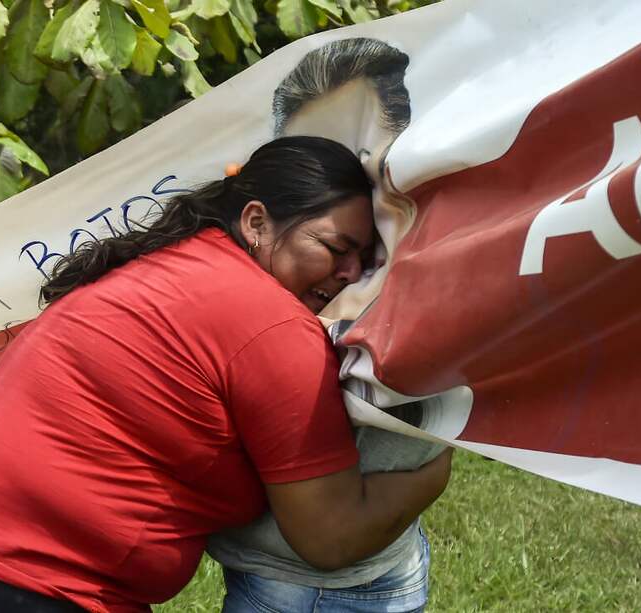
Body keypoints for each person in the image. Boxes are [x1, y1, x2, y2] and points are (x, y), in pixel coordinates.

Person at [0, 135, 452, 612]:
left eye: (365, 260)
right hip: (12, 575)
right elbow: (330, 535)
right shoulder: (272, 327)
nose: (350, 274)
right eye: (335, 248)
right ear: (256, 221)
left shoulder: (180, 258)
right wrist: (435, 465)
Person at [206, 39, 450, 613]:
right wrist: (433, 474)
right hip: (295, 578)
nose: (340, 204)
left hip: (377, 562)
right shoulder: (254, 305)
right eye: (313, 171)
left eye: (362, 174)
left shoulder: (437, 273)